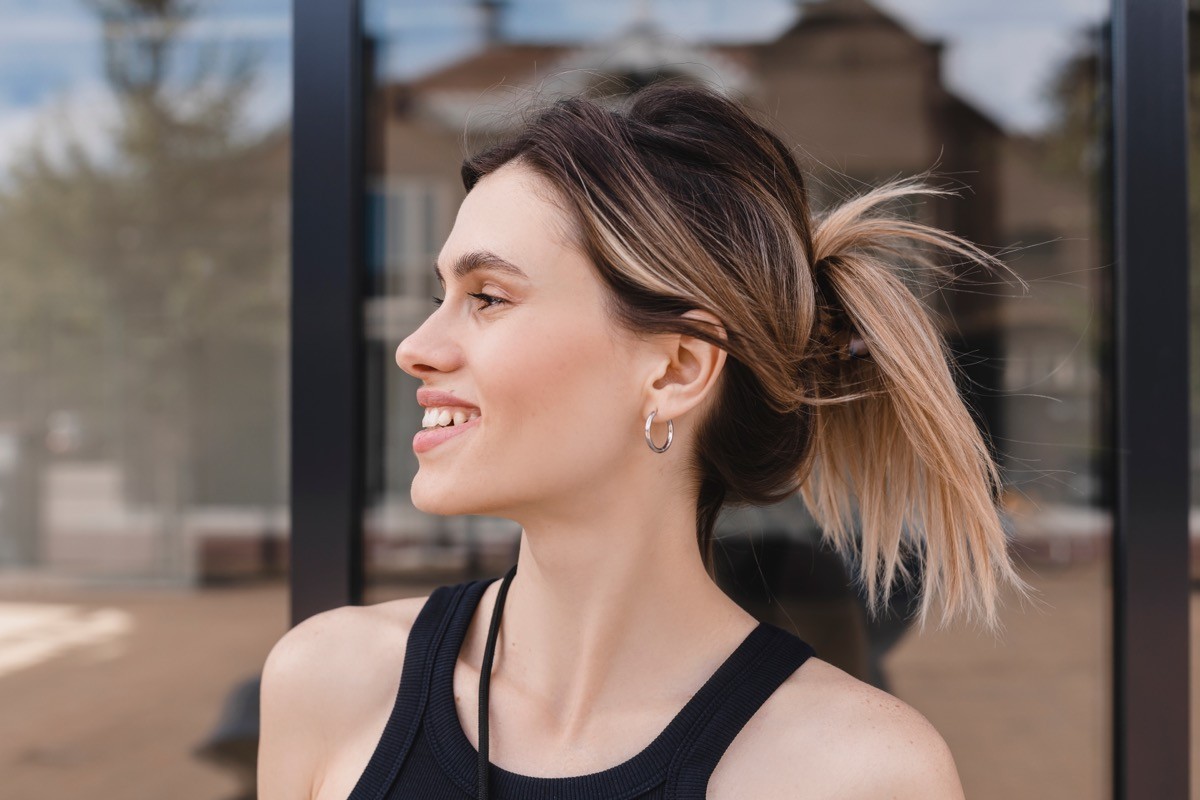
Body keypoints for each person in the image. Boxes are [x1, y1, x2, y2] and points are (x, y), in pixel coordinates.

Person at [258, 82, 1031, 799]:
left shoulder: (853, 772)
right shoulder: (333, 681)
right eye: (442, 294)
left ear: (675, 369)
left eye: (487, 297)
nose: (415, 347)